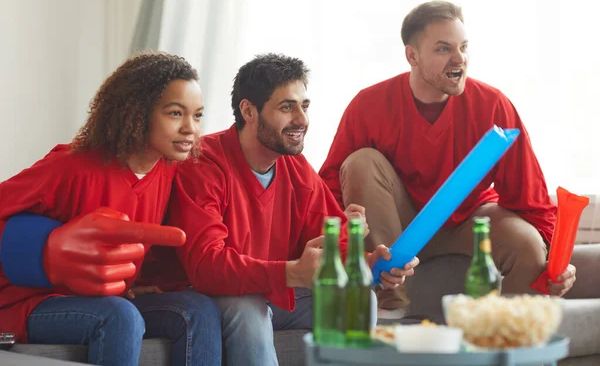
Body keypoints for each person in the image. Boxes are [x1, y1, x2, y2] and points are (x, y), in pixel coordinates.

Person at [318, 0, 578, 311]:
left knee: (528, 245)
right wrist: (343, 245)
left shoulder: (494, 104)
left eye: (463, 47)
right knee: (361, 162)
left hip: (467, 219)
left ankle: (504, 340)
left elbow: (531, 200)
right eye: (444, 49)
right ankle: (391, 312)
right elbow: (329, 189)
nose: (460, 58)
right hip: (398, 226)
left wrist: (555, 265)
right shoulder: (368, 104)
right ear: (412, 56)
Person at [165, 53, 419, 366]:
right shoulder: (203, 164)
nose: (302, 119)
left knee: (355, 296)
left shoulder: (294, 166)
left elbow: (331, 246)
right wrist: (292, 272)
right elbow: (207, 267)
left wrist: (368, 264)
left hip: (275, 290)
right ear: (249, 111)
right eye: (287, 107)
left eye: (305, 106)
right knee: (250, 309)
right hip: (215, 296)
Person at [0, 52, 222, 366]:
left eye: (197, 115)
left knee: (197, 310)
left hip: (106, 299)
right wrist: (44, 248)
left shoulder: (168, 170)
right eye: (175, 113)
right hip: (30, 303)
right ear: (138, 112)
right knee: (120, 317)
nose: (190, 128)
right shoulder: (72, 167)